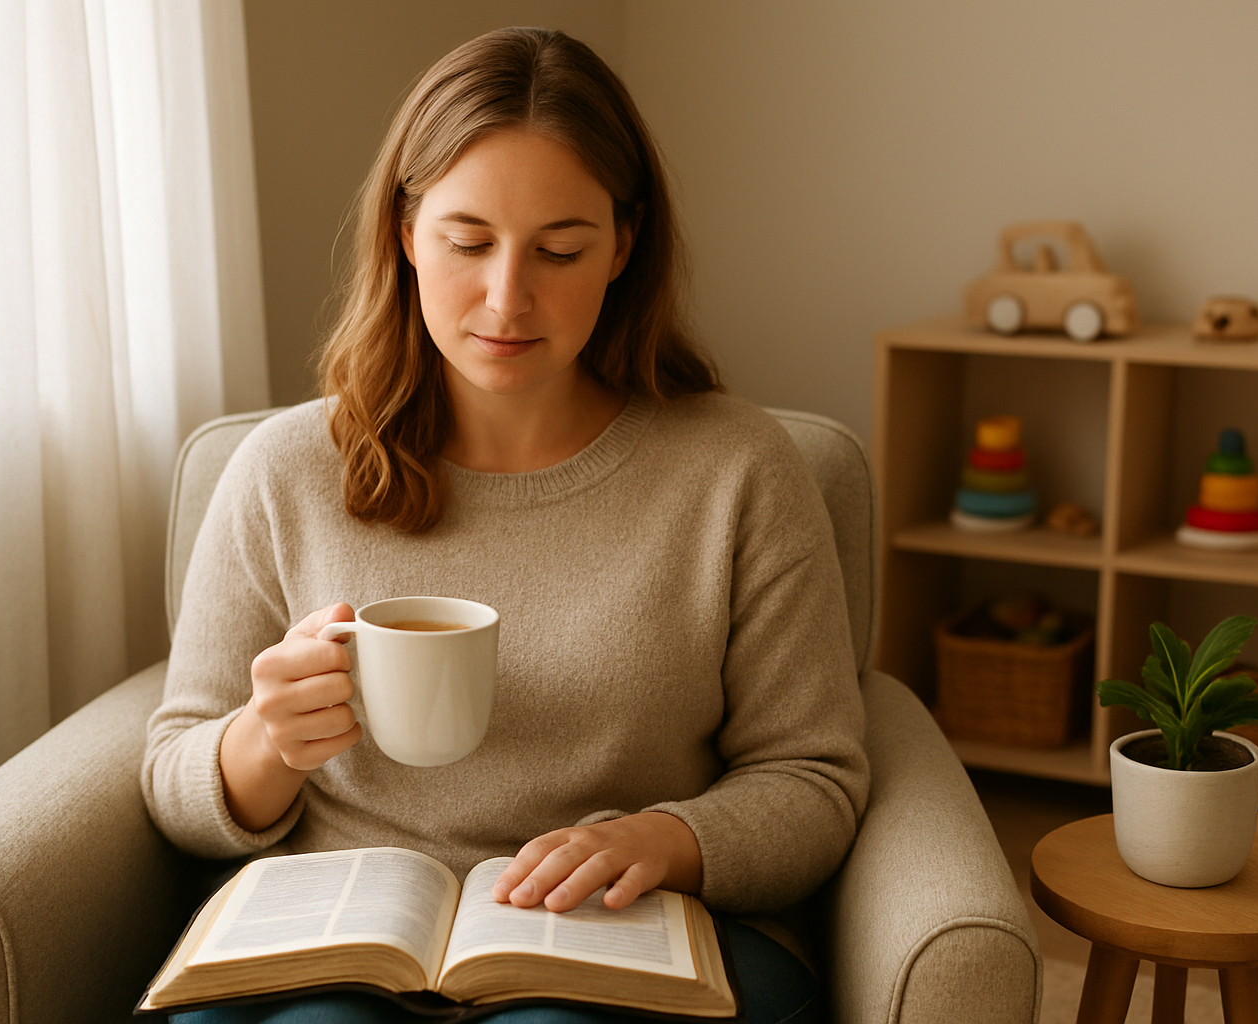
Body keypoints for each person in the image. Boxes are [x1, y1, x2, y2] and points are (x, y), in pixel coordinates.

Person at [143, 26, 868, 1024]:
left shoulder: (736, 471)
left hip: (623, 929)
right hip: (339, 936)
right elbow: (173, 769)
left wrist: (666, 837)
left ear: (624, 242)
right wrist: (265, 745)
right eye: (469, 241)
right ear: (405, 231)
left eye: (560, 249)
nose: (506, 296)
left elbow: (816, 778)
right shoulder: (284, 468)